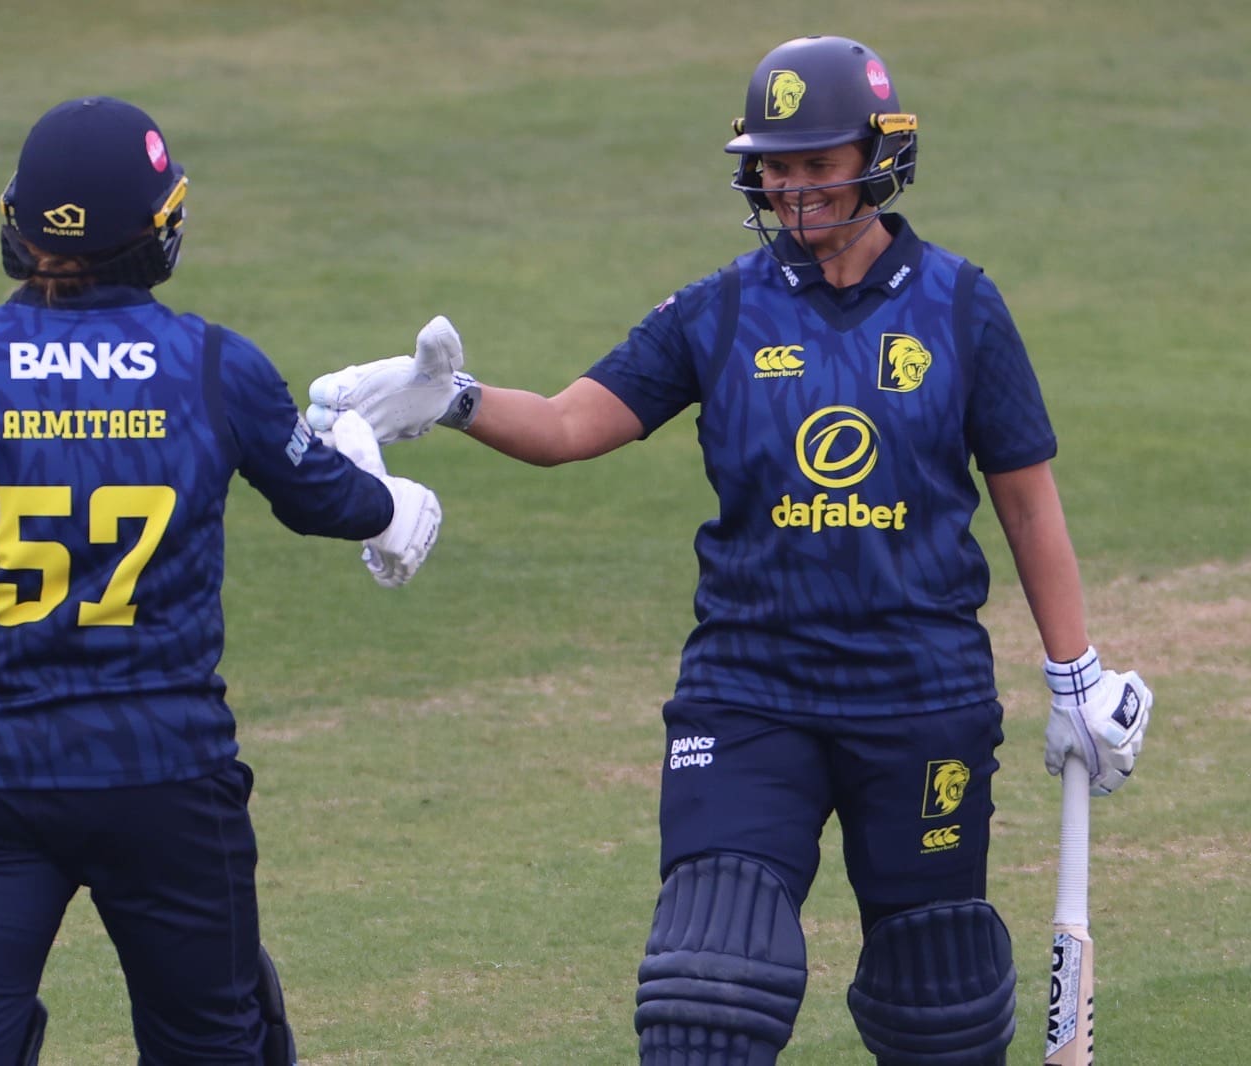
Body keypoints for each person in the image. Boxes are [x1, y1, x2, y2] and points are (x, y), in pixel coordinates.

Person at [303, 35, 1153, 1066]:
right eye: (774, 166)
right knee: (707, 992)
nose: (791, 188)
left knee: (939, 1008)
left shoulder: (962, 308)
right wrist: (454, 400)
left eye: (815, 161)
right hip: (751, 691)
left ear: (879, 154)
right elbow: (573, 424)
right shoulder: (719, 310)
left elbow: (1026, 505)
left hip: (920, 694)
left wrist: (1074, 676)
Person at [0, 95, 442, 1065]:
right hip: (162, 777)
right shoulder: (211, 365)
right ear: (156, 231)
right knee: (214, 1041)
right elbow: (325, 501)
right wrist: (392, 494)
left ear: (18, 224)